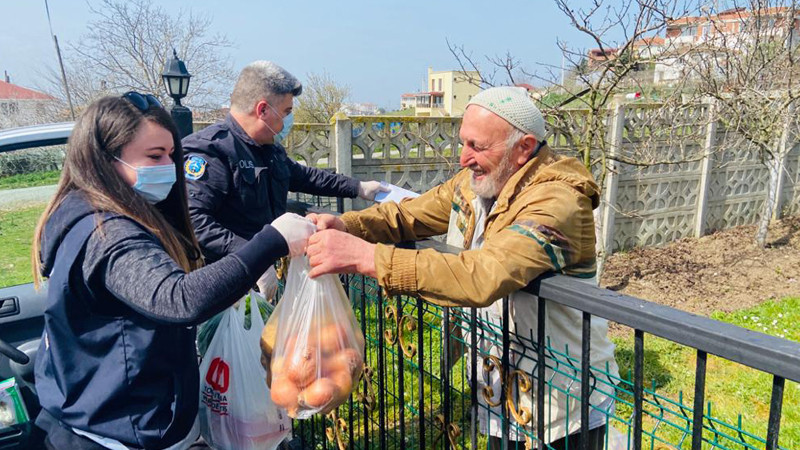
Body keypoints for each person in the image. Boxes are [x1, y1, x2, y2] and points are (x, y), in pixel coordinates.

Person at [305, 86, 618, 449]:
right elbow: (411, 213)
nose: (463, 158)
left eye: (477, 146)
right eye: (463, 143)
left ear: (524, 148)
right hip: (504, 388)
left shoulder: (557, 200)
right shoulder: (475, 186)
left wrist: (365, 257)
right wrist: (347, 226)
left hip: (560, 403)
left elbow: (485, 274)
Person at [31, 93, 315, 450]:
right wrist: (271, 242)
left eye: (170, 154)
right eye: (154, 156)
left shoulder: (82, 211)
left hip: (100, 412)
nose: (168, 166)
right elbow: (177, 298)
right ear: (105, 159)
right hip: (111, 432)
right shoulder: (107, 233)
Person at [181, 61, 385, 298]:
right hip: (217, 281)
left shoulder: (268, 150)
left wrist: (359, 187)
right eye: (287, 111)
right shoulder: (212, 151)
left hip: (258, 277)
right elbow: (194, 221)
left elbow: (305, 177)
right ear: (263, 110)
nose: (289, 120)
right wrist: (249, 256)